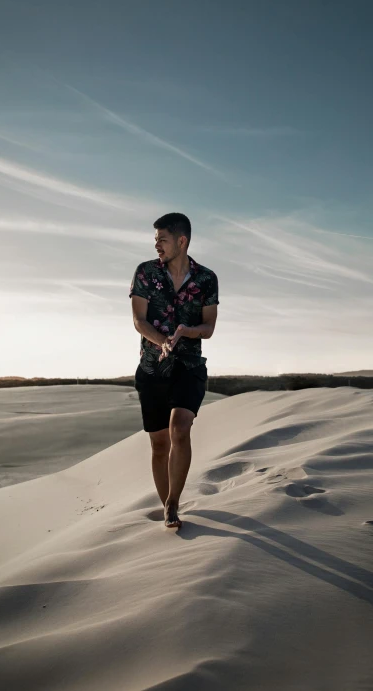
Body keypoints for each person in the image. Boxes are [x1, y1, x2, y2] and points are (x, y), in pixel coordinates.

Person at [129, 213, 219, 529]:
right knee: (159, 443)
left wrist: (186, 331)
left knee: (180, 426)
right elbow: (139, 320)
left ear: (181, 240)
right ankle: (165, 497)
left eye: (162, 239)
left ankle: (172, 505)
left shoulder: (207, 279)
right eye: (155, 240)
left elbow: (208, 327)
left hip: (189, 366)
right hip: (152, 367)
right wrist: (162, 340)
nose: (157, 245)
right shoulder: (145, 273)